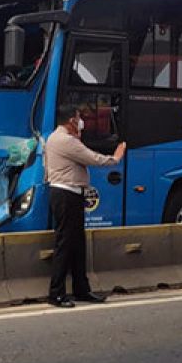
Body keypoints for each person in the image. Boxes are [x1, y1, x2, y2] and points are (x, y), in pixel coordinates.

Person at [44, 102, 126, 308]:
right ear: (71, 120)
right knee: (65, 245)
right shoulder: (65, 141)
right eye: (79, 118)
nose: (82, 122)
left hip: (68, 194)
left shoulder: (57, 138)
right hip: (66, 195)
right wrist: (115, 158)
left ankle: (82, 289)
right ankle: (56, 293)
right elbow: (93, 158)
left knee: (77, 245)